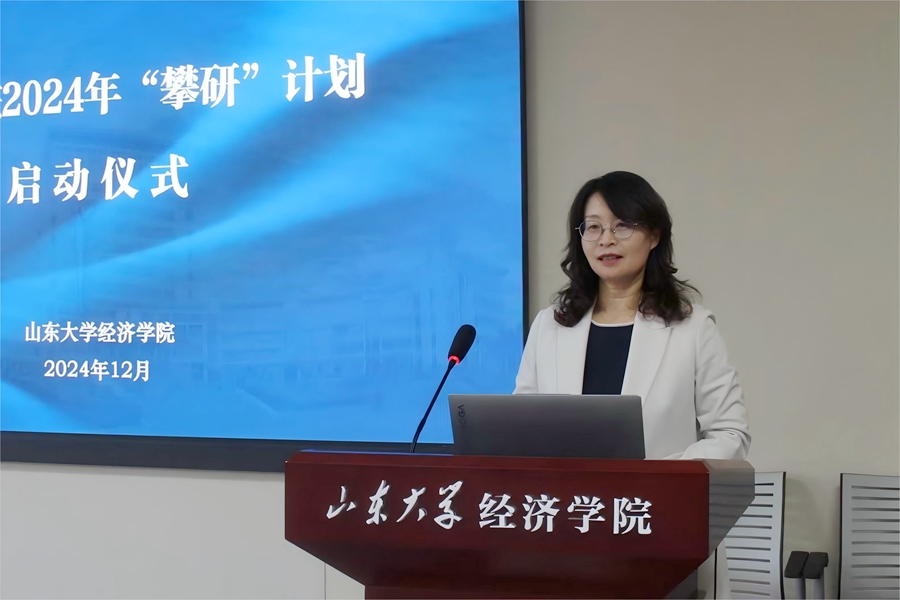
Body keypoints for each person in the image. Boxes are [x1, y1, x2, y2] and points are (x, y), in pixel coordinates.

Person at [514, 171, 750, 460]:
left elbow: (730, 435)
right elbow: (521, 430)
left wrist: (657, 476)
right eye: (593, 227)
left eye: (622, 225)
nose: (606, 239)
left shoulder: (693, 329)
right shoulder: (549, 326)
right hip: (565, 490)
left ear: (654, 236)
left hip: (656, 490)